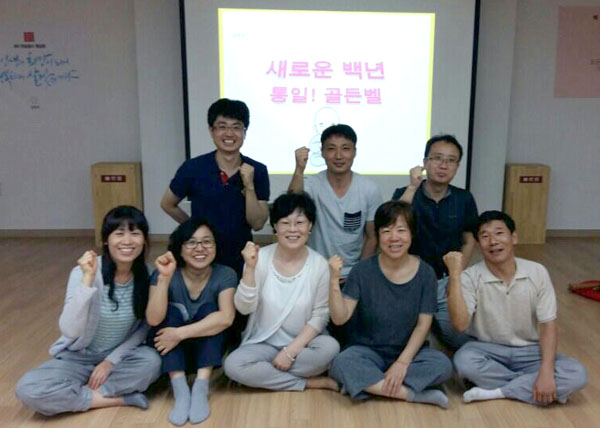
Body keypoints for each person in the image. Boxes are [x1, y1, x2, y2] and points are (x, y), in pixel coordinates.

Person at [16, 206, 161, 416]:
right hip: (77, 357)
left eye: (135, 233)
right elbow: (70, 330)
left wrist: (110, 361)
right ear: (106, 240)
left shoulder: (147, 274)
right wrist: (87, 280)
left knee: (152, 362)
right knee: (28, 389)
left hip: (119, 357)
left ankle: (76, 394)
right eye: (119, 233)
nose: (127, 241)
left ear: (144, 240)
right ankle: (115, 398)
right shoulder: (85, 272)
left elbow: (143, 328)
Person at [446, 211, 588, 405]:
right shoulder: (470, 277)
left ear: (514, 237)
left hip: (530, 351)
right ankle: (536, 388)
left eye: (499, 233)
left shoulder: (537, 272)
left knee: (577, 374)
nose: (493, 241)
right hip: (487, 349)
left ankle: (497, 392)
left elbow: (548, 326)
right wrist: (455, 275)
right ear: (478, 244)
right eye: (485, 236)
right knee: (464, 361)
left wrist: (546, 372)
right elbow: (460, 325)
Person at [328, 201, 453, 407]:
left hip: (410, 353)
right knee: (342, 362)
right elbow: (340, 318)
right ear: (378, 235)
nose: (394, 237)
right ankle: (413, 394)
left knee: (443, 365)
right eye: (386, 231)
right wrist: (334, 280)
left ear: (412, 234)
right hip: (367, 351)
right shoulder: (362, 270)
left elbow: (423, 325)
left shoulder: (426, 273)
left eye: (401, 230)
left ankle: (368, 385)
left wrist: (402, 362)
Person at [223, 192, 340, 392]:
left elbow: (320, 315)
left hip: (303, 346)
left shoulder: (319, 264)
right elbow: (244, 308)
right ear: (275, 227)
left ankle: (265, 375)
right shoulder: (259, 258)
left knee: (330, 348)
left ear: (310, 226)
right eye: (285, 223)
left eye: (300, 222)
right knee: (233, 365)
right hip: (263, 345)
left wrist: (290, 352)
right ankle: (307, 382)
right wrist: (249, 269)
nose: (292, 229)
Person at [161, 98, 270, 277]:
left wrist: (249, 186)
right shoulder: (193, 168)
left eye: (236, 127)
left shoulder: (257, 170)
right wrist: (193, 229)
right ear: (211, 131)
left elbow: (257, 224)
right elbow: (167, 204)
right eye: (222, 126)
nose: (229, 133)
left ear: (244, 132)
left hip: (240, 256)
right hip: (200, 256)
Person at [146, 218, 237, 425]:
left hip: (205, 351)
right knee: (170, 312)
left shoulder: (225, 274)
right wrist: (163, 279)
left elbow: (226, 318)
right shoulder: (164, 273)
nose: (200, 248)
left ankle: (200, 388)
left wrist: (179, 334)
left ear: (215, 246)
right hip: (171, 352)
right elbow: (153, 319)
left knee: (211, 311)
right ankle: (180, 390)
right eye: (191, 242)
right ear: (180, 247)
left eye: (207, 242)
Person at [392, 134, 477, 351]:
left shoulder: (464, 198)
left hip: (444, 280)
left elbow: (468, 241)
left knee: (460, 340)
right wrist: (412, 188)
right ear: (425, 162)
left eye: (451, 160)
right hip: (409, 279)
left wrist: (456, 277)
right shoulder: (405, 193)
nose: (443, 165)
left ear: (457, 166)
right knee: (398, 339)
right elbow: (393, 226)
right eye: (437, 158)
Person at [289, 124, 382, 281]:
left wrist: (359, 274)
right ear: (322, 152)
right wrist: (299, 169)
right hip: (315, 273)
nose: (338, 156)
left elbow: (372, 236)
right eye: (331, 149)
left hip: (353, 275)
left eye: (345, 149)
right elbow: (291, 206)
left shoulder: (369, 189)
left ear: (354, 152)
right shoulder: (311, 183)